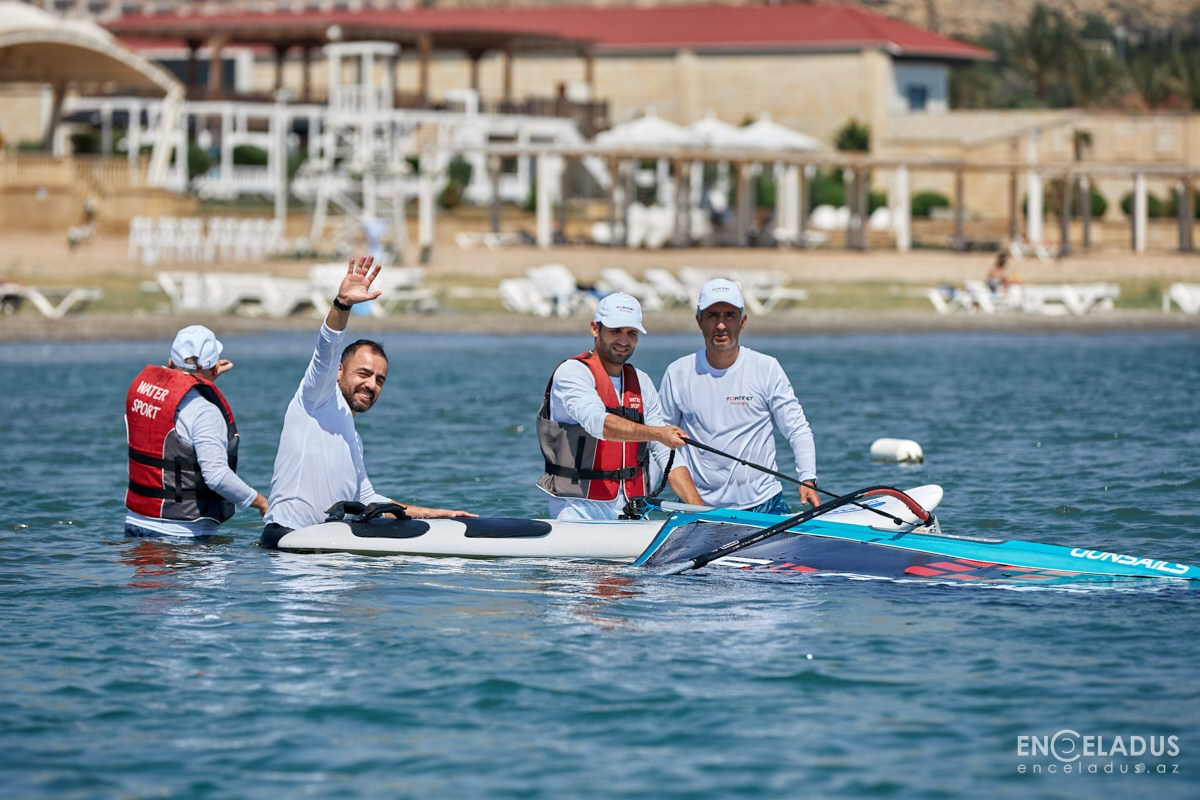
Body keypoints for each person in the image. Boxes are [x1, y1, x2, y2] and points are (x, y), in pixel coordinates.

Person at [260, 256, 473, 547]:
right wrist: (342, 305)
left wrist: (437, 515)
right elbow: (326, 349)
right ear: (339, 372)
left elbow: (366, 499)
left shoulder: (352, 439)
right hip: (287, 540)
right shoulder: (315, 398)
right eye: (364, 373)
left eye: (380, 379)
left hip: (324, 545)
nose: (371, 385)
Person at [536, 292, 702, 521]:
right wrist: (658, 433)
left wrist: (701, 512)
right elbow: (597, 423)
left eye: (631, 333)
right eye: (615, 331)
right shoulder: (572, 373)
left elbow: (664, 452)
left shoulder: (641, 382)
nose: (623, 340)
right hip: (578, 513)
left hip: (632, 513)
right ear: (595, 328)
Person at [659, 278, 819, 514]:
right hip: (697, 507)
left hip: (765, 504)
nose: (721, 325)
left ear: (742, 321)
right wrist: (690, 500)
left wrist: (807, 478)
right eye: (713, 315)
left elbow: (797, 429)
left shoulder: (767, 367)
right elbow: (660, 442)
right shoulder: (678, 372)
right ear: (699, 321)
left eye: (729, 316)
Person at [124, 324, 268, 538]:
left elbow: (178, 386)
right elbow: (217, 476)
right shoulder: (204, 412)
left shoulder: (144, 392)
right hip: (183, 535)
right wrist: (261, 502)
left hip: (135, 523)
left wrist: (206, 376)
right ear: (215, 368)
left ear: (171, 362)